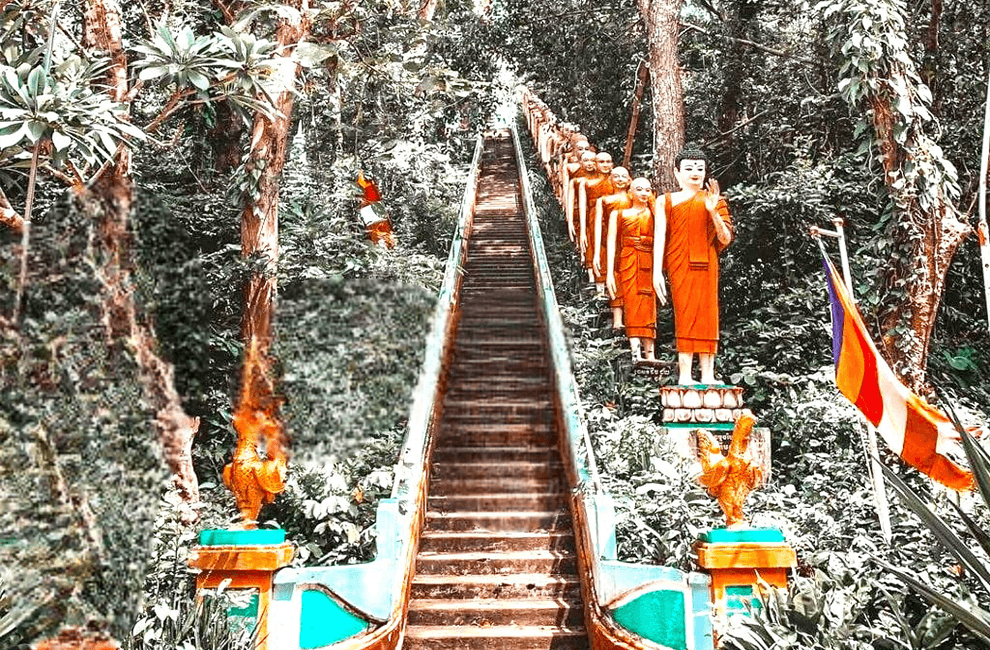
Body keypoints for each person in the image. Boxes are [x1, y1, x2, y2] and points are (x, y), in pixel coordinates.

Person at [654, 148, 733, 385]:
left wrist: (712, 211)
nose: (695, 173)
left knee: (708, 315)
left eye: (699, 168)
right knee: (685, 314)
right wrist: (657, 270)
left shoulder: (716, 201)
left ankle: (708, 374)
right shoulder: (664, 201)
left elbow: (725, 239)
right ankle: (686, 375)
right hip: (678, 263)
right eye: (688, 168)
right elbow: (660, 237)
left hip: (707, 263)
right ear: (677, 173)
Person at [608, 177, 663, 361]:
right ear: (631, 192)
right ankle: (635, 353)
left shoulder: (655, 214)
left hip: (648, 262)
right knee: (632, 304)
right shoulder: (619, 214)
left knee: (648, 306)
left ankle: (650, 354)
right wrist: (609, 272)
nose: (644, 193)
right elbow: (612, 244)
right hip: (628, 261)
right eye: (639, 189)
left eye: (648, 190)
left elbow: (663, 238)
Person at [594, 166, 632, 329]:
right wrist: (596, 252)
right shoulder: (603, 200)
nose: (620, 179)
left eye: (624, 176)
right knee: (615, 277)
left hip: (631, 242)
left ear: (629, 179)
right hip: (613, 242)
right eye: (616, 176)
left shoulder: (634, 197)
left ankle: (632, 318)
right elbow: (597, 226)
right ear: (610, 180)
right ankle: (617, 320)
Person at [579, 152, 615, 282]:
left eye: (608, 162)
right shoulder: (586, 183)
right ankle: (598, 283)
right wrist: (583, 232)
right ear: (595, 164)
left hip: (614, 218)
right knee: (597, 248)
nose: (605, 165)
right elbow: (583, 208)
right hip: (595, 219)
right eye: (601, 162)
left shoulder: (618, 181)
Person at [567, 151, 600, 244]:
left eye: (592, 161)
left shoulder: (601, 179)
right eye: (586, 160)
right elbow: (570, 201)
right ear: (580, 162)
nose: (589, 163)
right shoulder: (576, 181)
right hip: (582, 210)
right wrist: (569, 221)